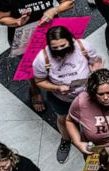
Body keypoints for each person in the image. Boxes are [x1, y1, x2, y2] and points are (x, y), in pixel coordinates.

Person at [0, 0, 74, 109]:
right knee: (29, 64)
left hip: (49, 30)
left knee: (56, 55)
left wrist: (54, 10)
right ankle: (34, 89)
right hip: (23, 34)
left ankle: (57, 79)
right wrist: (17, 21)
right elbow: (1, 18)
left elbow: (68, 2)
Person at [32, 26, 103, 162]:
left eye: (63, 45)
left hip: (87, 94)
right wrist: (56, 88)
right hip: (61, 98)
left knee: (93, 118)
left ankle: (95, 140)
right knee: (63, 119)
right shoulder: (42, 59)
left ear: (70, 40)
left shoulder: (83, 46)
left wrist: (96, 70)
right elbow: (39, 81)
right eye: (55, 48)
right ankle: (65, 139)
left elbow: (97, 62)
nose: (59, 50)